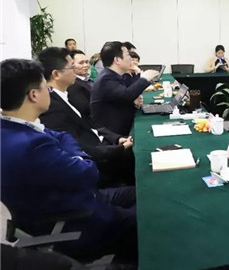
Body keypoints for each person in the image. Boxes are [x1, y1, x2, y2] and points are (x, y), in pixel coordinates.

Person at [0, 58, 137, 264]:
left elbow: (63, 136)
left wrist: (72, 152)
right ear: (34, 95)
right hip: (76, 219)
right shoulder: (31, 144)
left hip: (68, 201)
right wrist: (77, 154)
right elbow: (89, 172)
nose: (49, 91)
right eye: (46, 88)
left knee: (139, 193)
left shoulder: (14, 128)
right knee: (147, 219)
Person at [37, 47, 135, 187]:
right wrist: (120, 149)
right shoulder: (52, 107)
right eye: (72, 67)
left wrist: (117, 139)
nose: (76, 71)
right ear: (56, 74)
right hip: (98, 166)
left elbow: (90, 126)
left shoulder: (65, 95)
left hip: (104, 147)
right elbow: (78, 148)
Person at [91, 41, 159, 135]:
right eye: (128, 55)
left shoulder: (114, 75)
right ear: (117, 60)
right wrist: (144, 78)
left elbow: (124, 96)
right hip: (113, 135)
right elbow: (127, 95)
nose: (131, 59)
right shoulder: (106, 79)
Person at [66, 49, 94, 119]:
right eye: (81, 63)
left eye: (87, 62)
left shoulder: (88, 80)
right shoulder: (73, 84)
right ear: (71, 65)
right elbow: (85, 109)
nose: (86, 65)